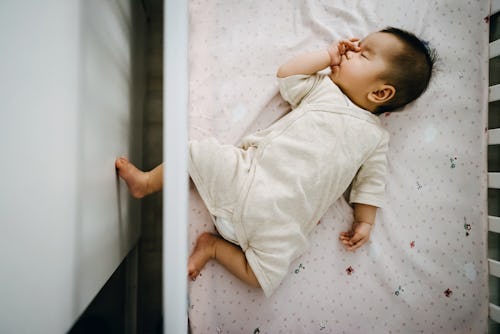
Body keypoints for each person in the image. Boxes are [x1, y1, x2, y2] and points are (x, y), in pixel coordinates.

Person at [116, 27, 436, 297]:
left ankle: (212, 247)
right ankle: (147, 183)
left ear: (381, 93)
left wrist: (365, 221)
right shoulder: (323, 89)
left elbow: (371, 184)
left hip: (283, 221)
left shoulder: (375, 139)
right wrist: (327, 55)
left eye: (362, 53)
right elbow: (288, 75)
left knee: (264, 278)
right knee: (197, 153)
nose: (350, 49)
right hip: (248, 176)